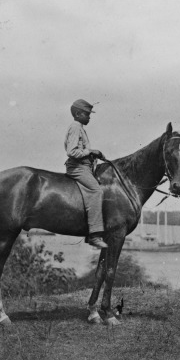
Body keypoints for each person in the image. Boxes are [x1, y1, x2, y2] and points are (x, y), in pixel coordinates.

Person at [64, 99, 108, 249]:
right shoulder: (75, 127)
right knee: (96, 191)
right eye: (87, 114)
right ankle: (95, 235)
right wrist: (91, 151)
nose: (89, 117)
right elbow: (72, 151)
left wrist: (93, 155)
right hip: (77, 167)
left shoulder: (80, 127)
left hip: (84, 166)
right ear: (78, 114)